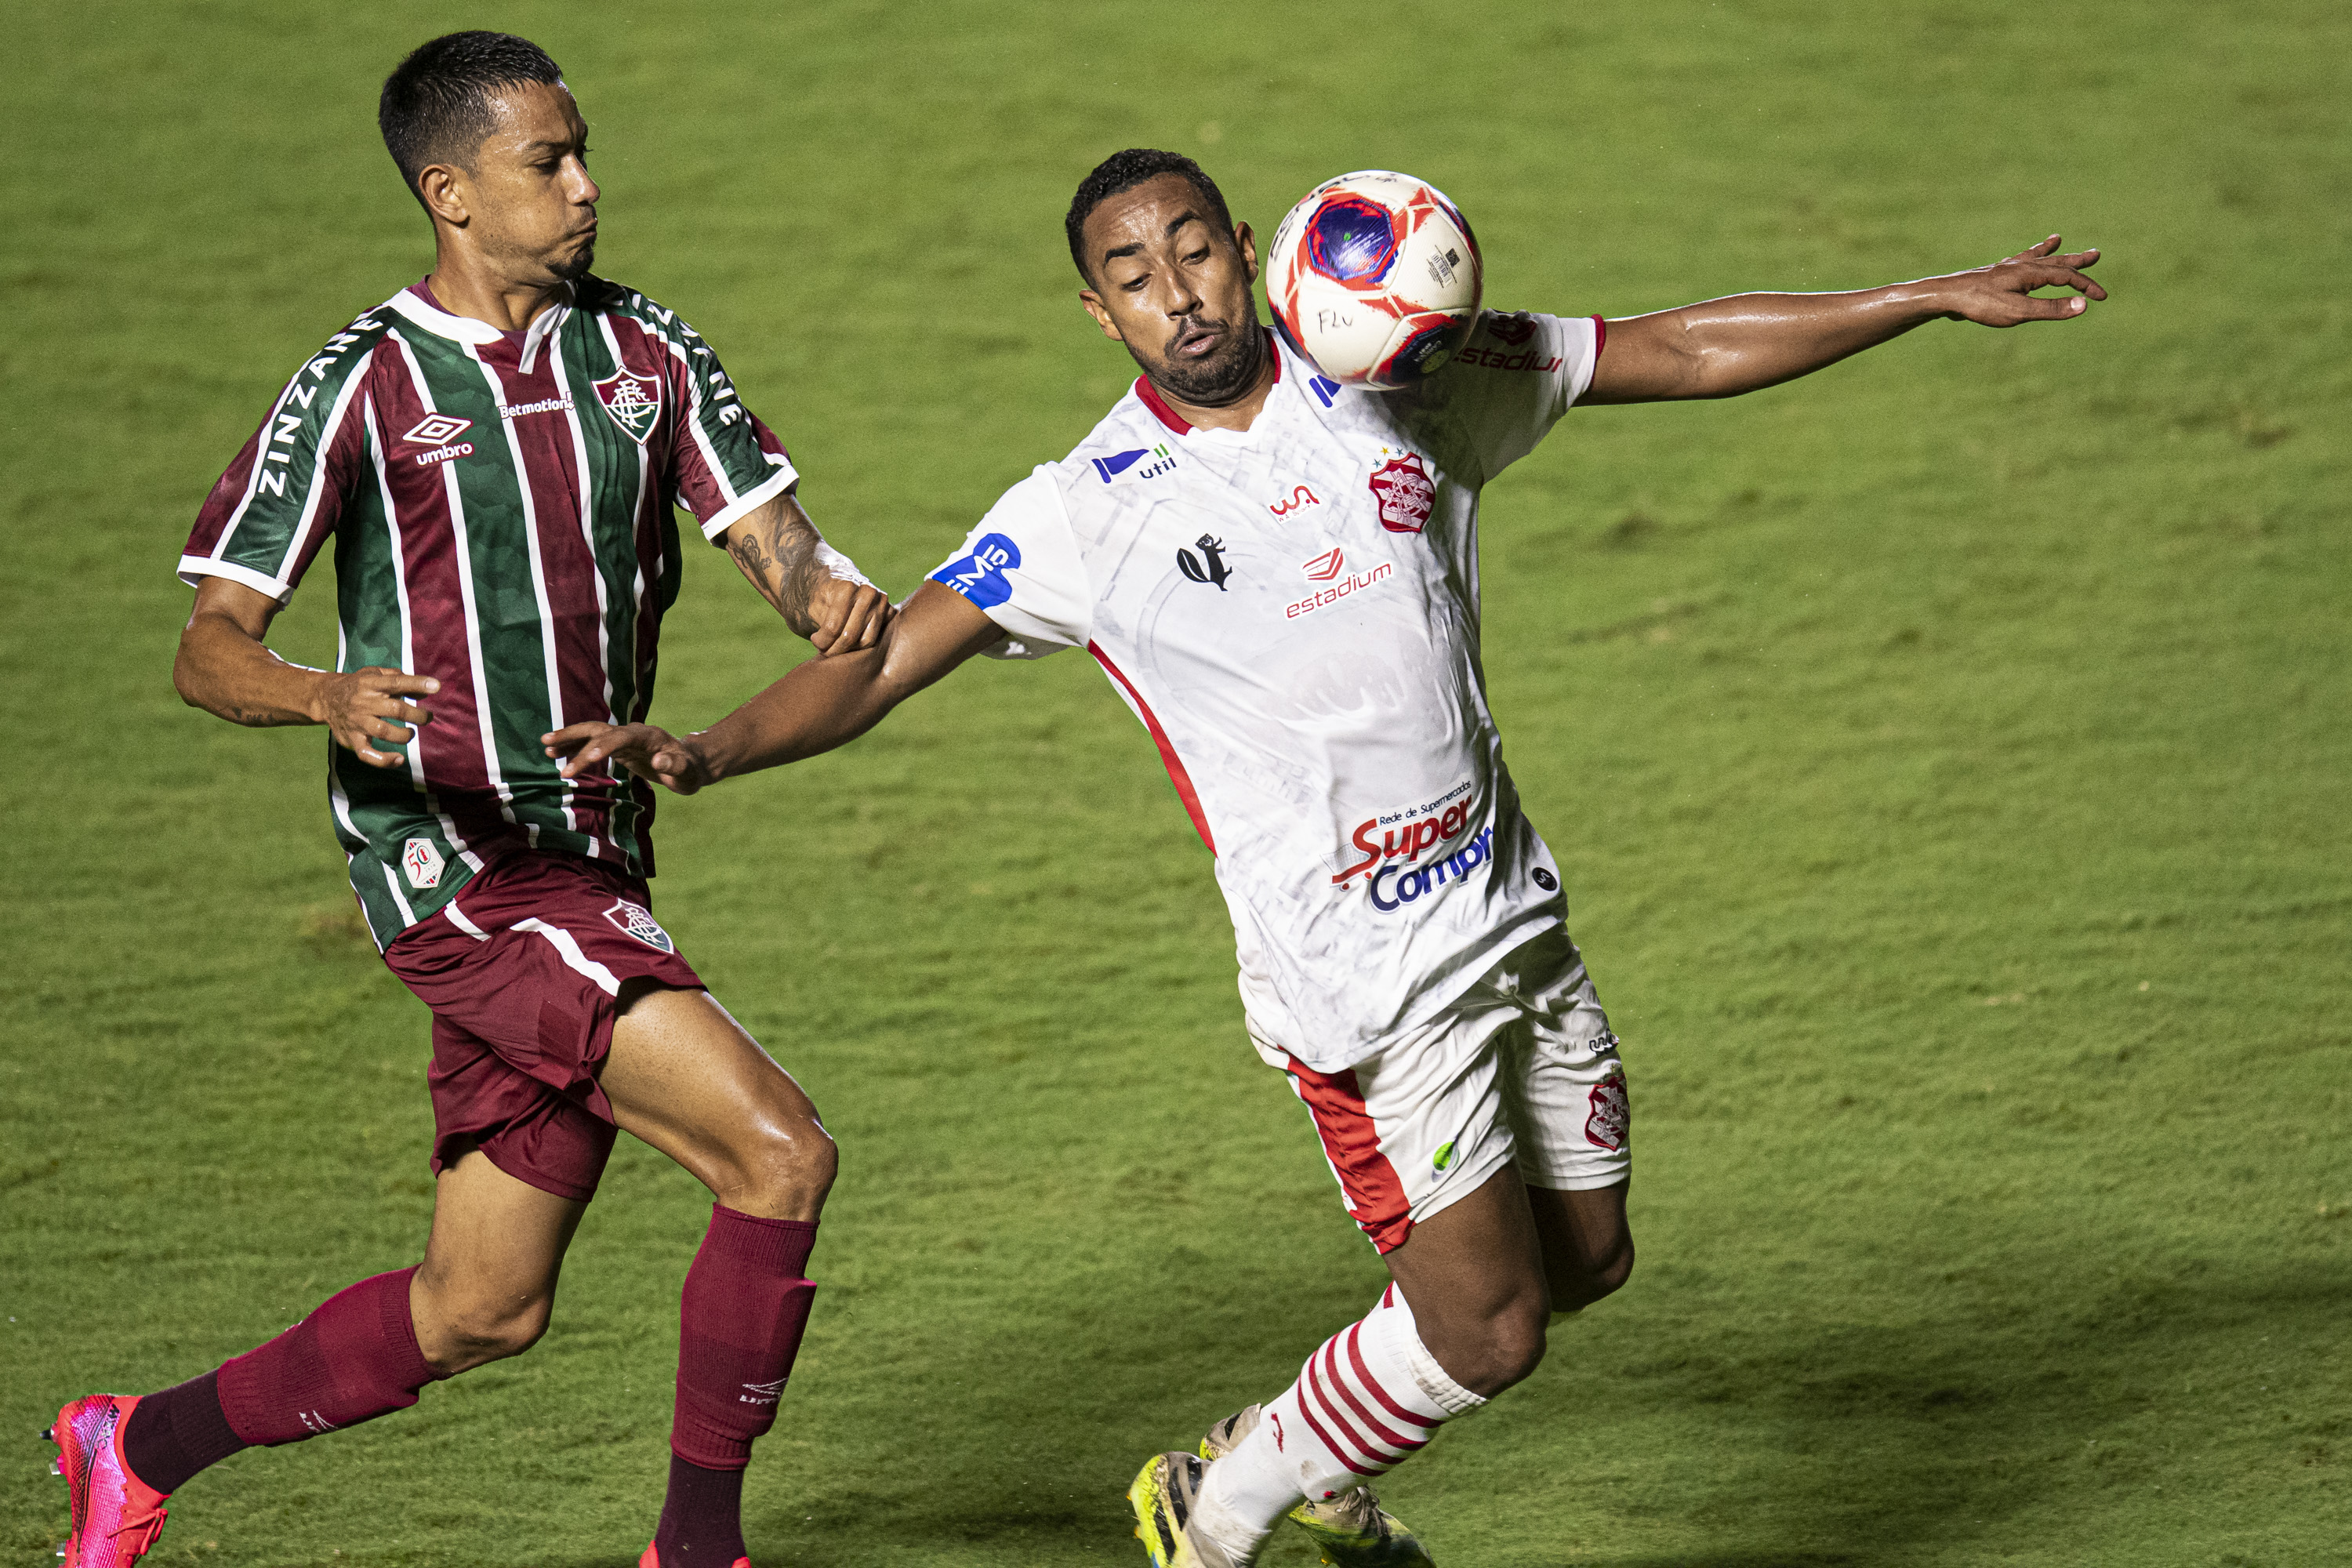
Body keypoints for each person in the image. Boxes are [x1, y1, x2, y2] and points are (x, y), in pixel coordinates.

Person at [547, 148, 2105, 1567]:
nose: (1177, 296)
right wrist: (708, 749)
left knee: (1589, 1260)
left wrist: (1921, 297)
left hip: (1514, 922)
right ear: (1099, 313)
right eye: (1134, 277)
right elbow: (886, 660)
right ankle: (1220, 1508)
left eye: (1193, 253)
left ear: (1249, 245)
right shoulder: (1084, 512)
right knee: (1491, 1334)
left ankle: (1294, 1437)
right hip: (1364, 996)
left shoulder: (1402, 371)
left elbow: (1674, 348)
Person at [46, 32, 895, 1568]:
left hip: (592, 857)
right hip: (455, 863)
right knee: (779, 1151)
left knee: (481, 1308)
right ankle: (697, 1550)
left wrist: (826, 594)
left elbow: (781, 549)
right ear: (449, 191)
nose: (586, 188)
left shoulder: (645, 352)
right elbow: (207, 647)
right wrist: (320, 695)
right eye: (546, 163)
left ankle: (132, 1443)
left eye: (583, 154)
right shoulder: (361, 385)